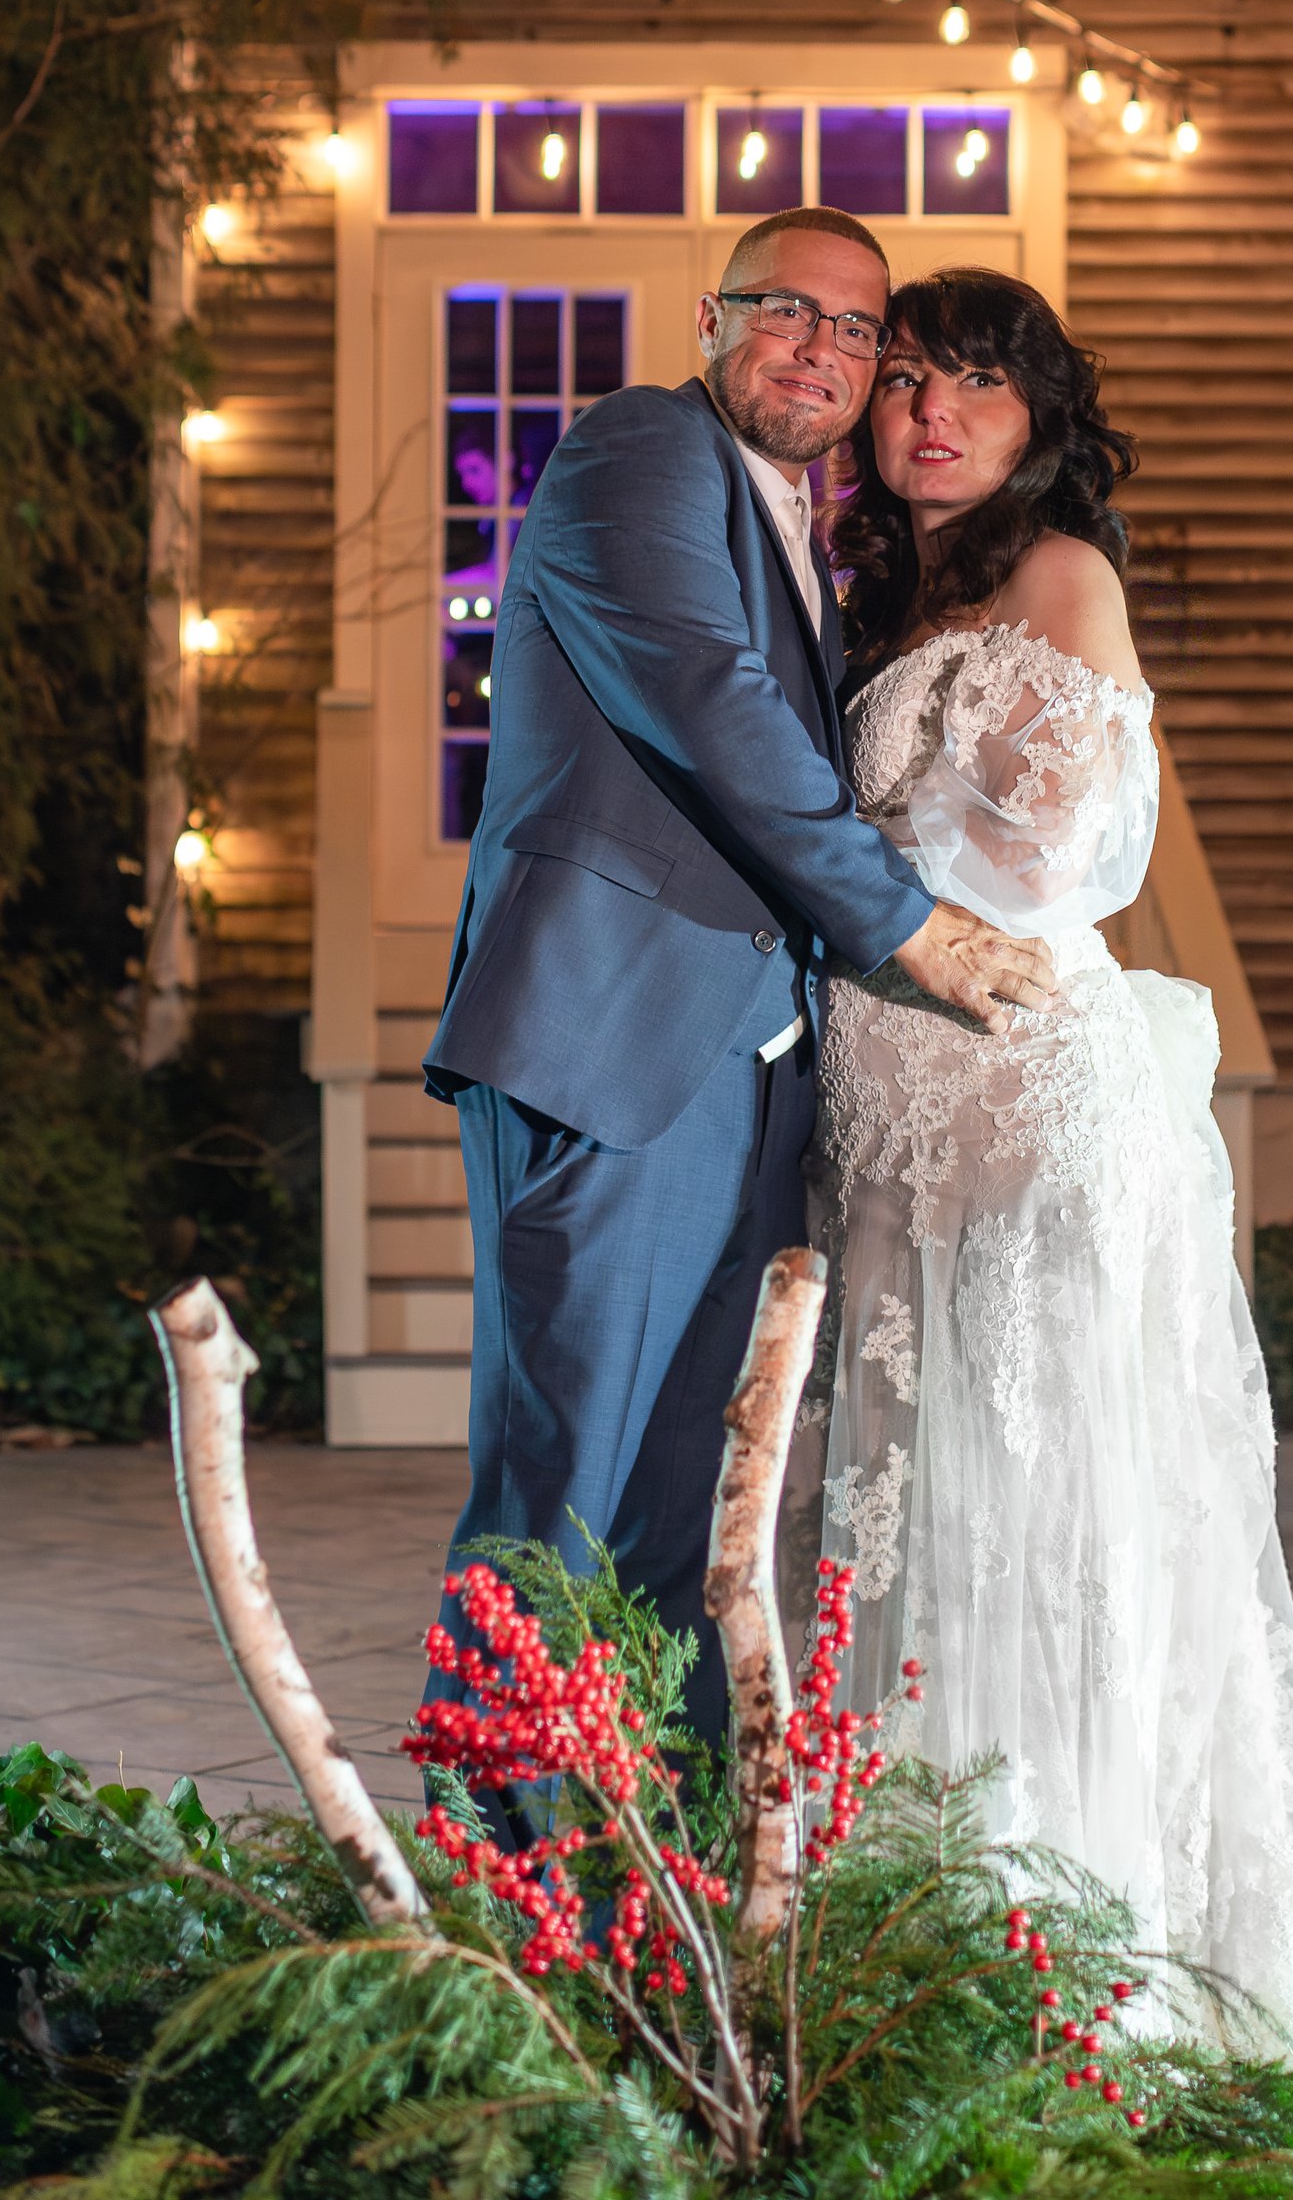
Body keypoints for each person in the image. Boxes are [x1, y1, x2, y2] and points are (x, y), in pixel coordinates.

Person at [803, 268, 1293, 2074]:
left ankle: (1076, 1960)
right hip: (896, 1127)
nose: (927, 414)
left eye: (974, 384)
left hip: (1034, 1108)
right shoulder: (889, 586)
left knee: (1049, 1516)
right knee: (912, 1506)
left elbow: (1084, 853)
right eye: (902, 383)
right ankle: (920, 1926)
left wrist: (871, 856)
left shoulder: (1060, 573)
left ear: (1039, 416)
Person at [424, 210, 1058, 1733]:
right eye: (789, 310)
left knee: (694, 1507)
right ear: (713, 320)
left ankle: (667, 1895)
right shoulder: (639, 449)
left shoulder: (807, 543)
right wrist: (911, 926)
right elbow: (711, 707)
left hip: (755, 1075)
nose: (822, 350)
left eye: (858, 333)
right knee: (563, 1492)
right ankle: (516, 1899)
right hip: (615, 1041)